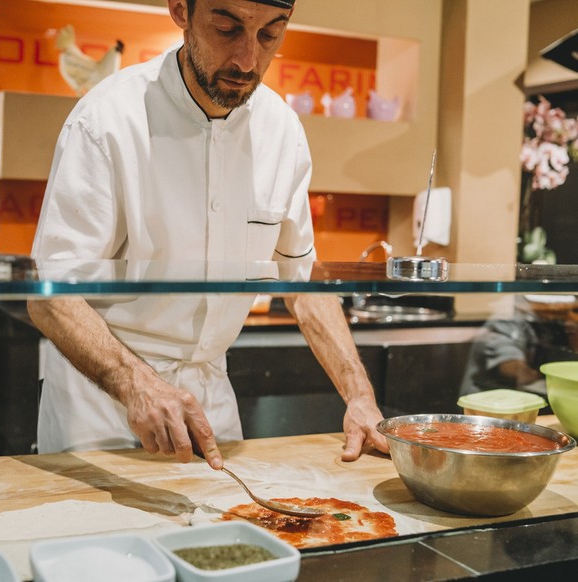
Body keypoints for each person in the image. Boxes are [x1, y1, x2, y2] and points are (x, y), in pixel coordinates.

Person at [27, 0, 389, 470]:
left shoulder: (282, 132)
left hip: (211, 401)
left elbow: (303, 281)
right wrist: (138, 385)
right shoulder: (106, 121)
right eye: (227, 29)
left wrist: (359, 396)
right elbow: (50, 296)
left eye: (269, 36)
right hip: (102, 407)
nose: (247, 60)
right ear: (181, 10)